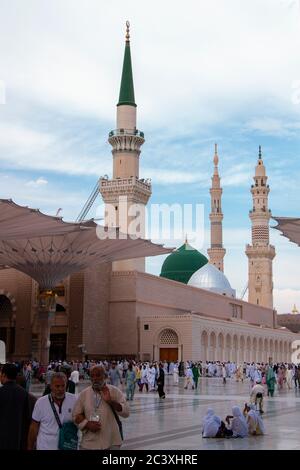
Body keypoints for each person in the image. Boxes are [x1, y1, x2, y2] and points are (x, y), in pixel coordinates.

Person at [72, 365, 129, 450]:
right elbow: (75, 416)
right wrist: (87, 424)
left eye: (98, 375)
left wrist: (111, 402)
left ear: (105, 376)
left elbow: (126, 412)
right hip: (89, 443)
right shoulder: (84, 394)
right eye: (92, 376)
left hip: (111, 441)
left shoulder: (114, 391)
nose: (95, 378)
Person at [28, 372, 77, 450]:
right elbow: (34, 428)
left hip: (67, 446)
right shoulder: (41, 402)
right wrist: (30, 447)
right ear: (50, 386)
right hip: (45, 446)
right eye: (57, 386)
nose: (60, 389)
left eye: (63, 386)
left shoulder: (74, 400)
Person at [0, 363, 31, 450]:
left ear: (4, 375)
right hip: (18, 438)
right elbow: (27, 417)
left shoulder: (1, 392)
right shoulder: (23, 393)